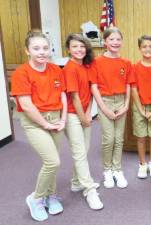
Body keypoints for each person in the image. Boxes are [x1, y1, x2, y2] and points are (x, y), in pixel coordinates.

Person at [11, 30, 66, 221]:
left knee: (52, 161)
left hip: (56, 118)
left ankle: (50, 196)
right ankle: (36, 198)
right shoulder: (21, 73)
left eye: (45, 48)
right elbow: (26, 105)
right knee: (53, 161)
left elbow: (63, 96)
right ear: (27, 51)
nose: (41, 52)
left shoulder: (56, 70)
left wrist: (64, 118)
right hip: (35, 122)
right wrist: (45, 124)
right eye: (36, 48)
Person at [63, 33, 103, 210]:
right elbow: (75, 97)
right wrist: (82, 118)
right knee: (79, 152)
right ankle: (89, 189)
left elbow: (90, 93)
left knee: (83, 150)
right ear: (68, 49)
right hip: (72, 115)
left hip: (84, 113)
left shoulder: (87, 66)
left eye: (81, 46)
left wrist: (88, 114)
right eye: (74, 47)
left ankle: (75, 181)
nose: (79, 50)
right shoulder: (70, 68)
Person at [91, 27, 131, 189]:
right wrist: (103, 108)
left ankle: (117, 169)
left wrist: (126, 105)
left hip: (121, 100)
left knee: (119, 139)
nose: (115, 42)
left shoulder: (126, 63)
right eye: (111, 39)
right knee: (109, 139)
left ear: (121, 41)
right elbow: (94, 86)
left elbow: (128, 85)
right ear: (105, 42)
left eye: (118, 39)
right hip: (104, 101)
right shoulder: (97, 62)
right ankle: (107, 170)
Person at [129, 35, 151, 179]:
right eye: (144, 47)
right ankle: (142, 164)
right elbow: (133, 89)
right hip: (139, 105)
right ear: (139, 49)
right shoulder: (134, 67)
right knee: (141, 137)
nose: (148, 49)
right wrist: (141, 109)